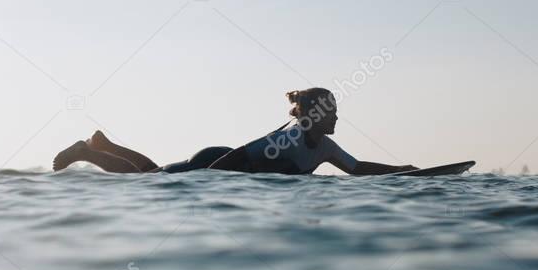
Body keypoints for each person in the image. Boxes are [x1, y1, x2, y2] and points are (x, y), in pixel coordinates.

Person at [52, 87, 416, 175]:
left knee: (153, 173)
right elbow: (242, 154)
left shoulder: (324, 146)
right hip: (215, 163)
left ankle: (103, 144)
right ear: (315, 116)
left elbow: (358, 169)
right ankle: (87, 152)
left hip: (221, 166)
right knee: (148, 178)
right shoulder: (289, 137)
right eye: (332, 113)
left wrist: (402, 172)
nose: (337, 119)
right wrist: (205, 181)